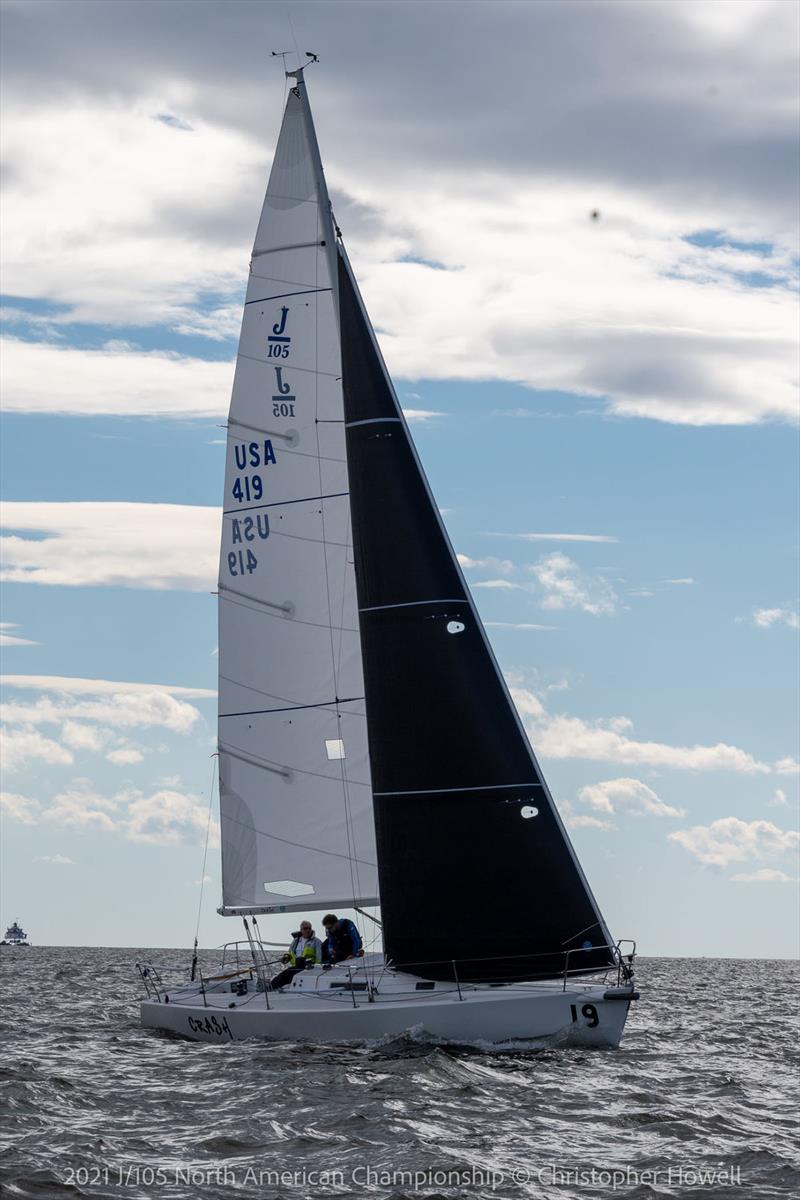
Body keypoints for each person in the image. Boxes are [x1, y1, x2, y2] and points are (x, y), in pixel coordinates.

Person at [269, 920, 322, 990]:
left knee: (285, 975)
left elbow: (319, 957)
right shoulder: (296, 941)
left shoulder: (316, 941)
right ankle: (270, 989)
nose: (308, 930)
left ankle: (271, 988)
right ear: (301, 930)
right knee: (282, 976)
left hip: (308, 968)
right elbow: (290, 952)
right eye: (305, 928)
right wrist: (286, 957)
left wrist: (316, 968)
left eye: (309, 928)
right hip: (296, 966)